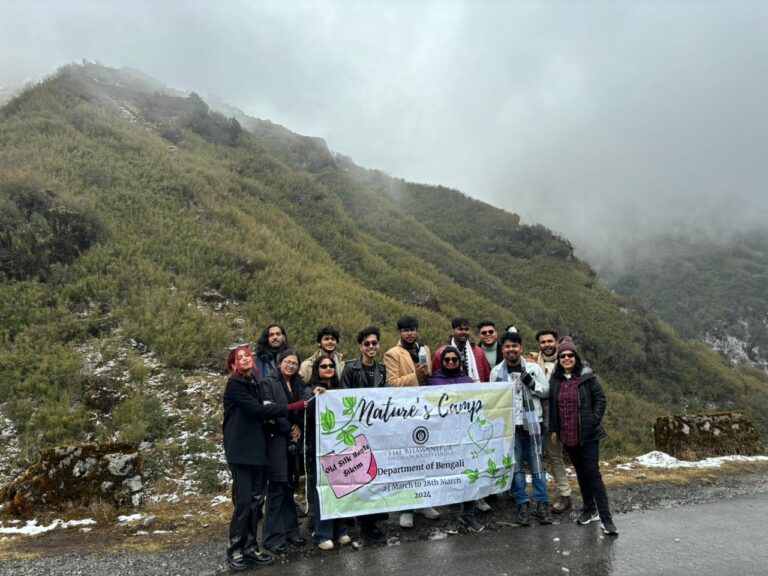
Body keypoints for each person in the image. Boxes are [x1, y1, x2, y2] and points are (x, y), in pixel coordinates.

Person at [222, 345, 306, 571]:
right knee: (243, 502)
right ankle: (235, 549)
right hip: (241, 451)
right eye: (239, 357)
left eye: (247, 355)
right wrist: (294, 406)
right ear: (233, 364)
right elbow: (258, 411)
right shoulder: (235, 384)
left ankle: (250, 548)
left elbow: (264, 413)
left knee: (256, 501)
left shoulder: (254, 384)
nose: (244, 359)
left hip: (259, 450)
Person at [549, 337, 618, 535]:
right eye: (562, 356)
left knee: (593, 474)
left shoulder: (587, 377)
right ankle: (590, 510)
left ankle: (606, 519)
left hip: (588, 435)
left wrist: (593, 421)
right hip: (568, 435)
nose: (566, 358)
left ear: (576, 357)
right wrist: (554, 428)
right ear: (559, 359)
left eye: (570, 355)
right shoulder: (556, 380)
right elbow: (553, 406)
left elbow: (600, 399)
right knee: (580, 472)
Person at [490, 331, 554, 526]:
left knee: (537, 465)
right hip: (509, 426)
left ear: (521, 348)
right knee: (516, 467)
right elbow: (493, 399)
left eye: (515, 346)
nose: (511, 350)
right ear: (503, 349)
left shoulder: (533, 369)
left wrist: (532, 384)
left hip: (533, 424)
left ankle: (542, 503)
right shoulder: (496, 372)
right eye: (508, 346)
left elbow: (547, 391)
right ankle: (522, 503)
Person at [383, 315, 440, 527]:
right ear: (400, 332)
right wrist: (415, 374)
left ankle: (425, 502)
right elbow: (391, 384)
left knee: (426, 458)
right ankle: (406, 509)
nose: (410, 333)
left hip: (425, 410)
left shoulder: (425, 349)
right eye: (406, 330)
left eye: (413, 329)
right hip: (405, 413)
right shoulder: (392, 354)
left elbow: (429, 376)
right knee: (407, 461)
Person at [427, 346, 484, 533]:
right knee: (451, 477)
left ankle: (469, 514)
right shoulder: (433, 381)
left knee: (469, 475)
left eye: (454, 359)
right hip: (445, 438)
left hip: (467, 436)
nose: (451, 362)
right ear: (441, 362)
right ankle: (454, 516)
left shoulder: (468, 381)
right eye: (447, 359)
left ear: (459, 361)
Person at [340, 326, 388, 542]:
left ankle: (371, 518)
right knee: (361, 475)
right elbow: (343, 399)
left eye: (374, 343)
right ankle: (366, 525)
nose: (371, 346)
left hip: (377, 429)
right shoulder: (350, 368)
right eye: (367, 343)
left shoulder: (383, 369)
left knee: (374, 473)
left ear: (379, 345)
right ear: (360, 347)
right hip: (356, 430)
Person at [261, 349, 308, 554]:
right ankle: (272, 538)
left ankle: (291, 531)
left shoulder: (299, 382)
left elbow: (305, 400)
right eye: (287, 362)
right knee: (277, 488)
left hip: (293, 441)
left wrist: (297, 426)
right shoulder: (268, 383)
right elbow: (269, 410)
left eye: (295, 363)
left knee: (289, 486)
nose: (291, 366)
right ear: (280, 363)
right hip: (276, 440)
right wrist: (289, 428)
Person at [304, 356, 352, 550]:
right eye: (323, 366)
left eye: (331, 365)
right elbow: (304, 413)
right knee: (323, 489)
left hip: (339, 446)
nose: (328, 368)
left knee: (340, 487)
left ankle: (340, 529)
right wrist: (315, 397)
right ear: (317, 369)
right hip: (319, 447)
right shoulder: (309, 389)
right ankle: (322, 533)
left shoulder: (340, 389)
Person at [534, 329, 572, 514]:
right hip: (547, 419)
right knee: (555, 458)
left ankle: (592, 495)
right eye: (543, 342)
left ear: (556, 342)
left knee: (580, 458)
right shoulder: (533, 365)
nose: (547, 345)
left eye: (550, 341)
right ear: (539, 345)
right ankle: (565, 495)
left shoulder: (566, 361)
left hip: (569, 418)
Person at [432, 318, 491, 383]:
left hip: (476, 388)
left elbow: (487, 377)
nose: (464, 332)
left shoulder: (479, 352)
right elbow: (435, 378)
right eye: (460, 329)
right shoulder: (440, 353)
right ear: (453, 331)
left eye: (466, 329)